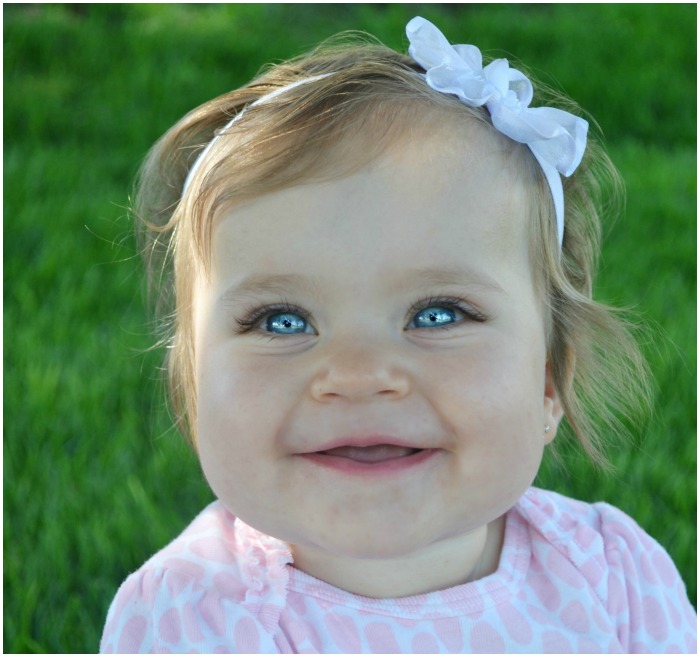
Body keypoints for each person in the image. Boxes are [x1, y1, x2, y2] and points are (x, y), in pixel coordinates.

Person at [100, 16, 696, 654]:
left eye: (436, 314)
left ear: (548, 380)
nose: (358, 375)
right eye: (282, 321)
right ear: (194, 390)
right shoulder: (190, 620)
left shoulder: (614, 577)